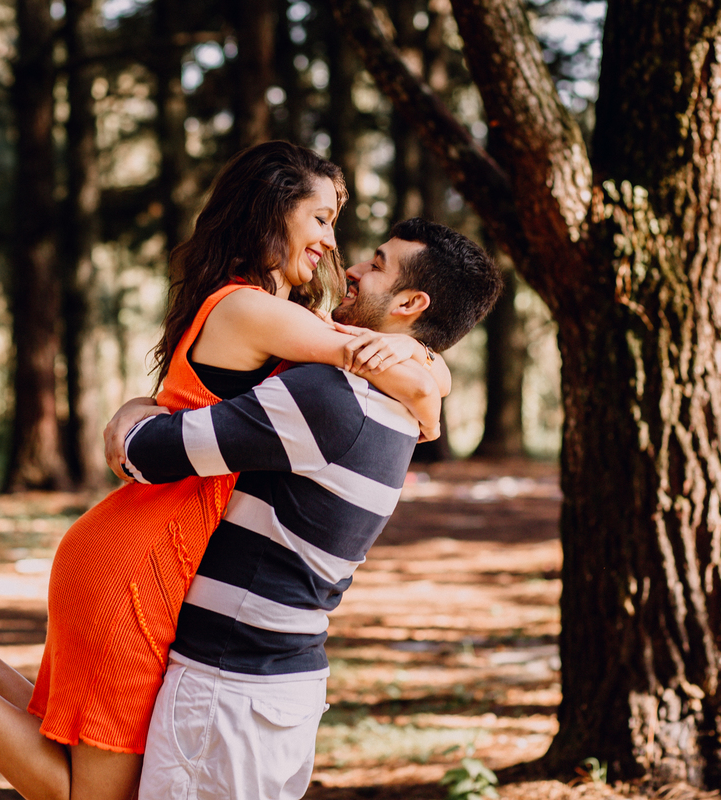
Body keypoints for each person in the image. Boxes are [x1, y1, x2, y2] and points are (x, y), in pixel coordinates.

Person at [0, 143, 450, 800]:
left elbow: (369, 353)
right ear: (272, 211)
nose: (330, 242)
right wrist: (432, 392)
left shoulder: (268, 311)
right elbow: (376, 358)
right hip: (142, 561)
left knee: (76, 745)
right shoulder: (251, 309)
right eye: (319, 218)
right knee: (86, 794)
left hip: (145, 549)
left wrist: (430, 371)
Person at [107, 218, 503, 800]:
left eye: (377, 264)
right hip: (279, 684)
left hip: (228, 685)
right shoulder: (391, 406)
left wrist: (134, 408)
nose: (354, 268)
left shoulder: (329, 399)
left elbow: (144, 454)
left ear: (411, 302)